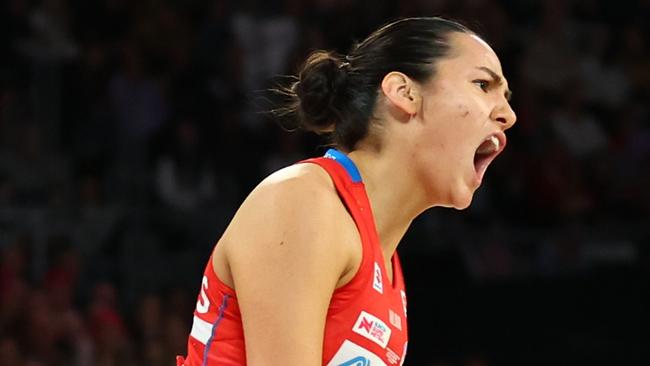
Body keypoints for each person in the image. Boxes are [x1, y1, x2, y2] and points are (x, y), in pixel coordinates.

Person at [177, 16, 516, 365]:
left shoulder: (386, 264)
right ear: (404, 93)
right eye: (482, 84)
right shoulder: (306, 201)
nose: (508, 115)